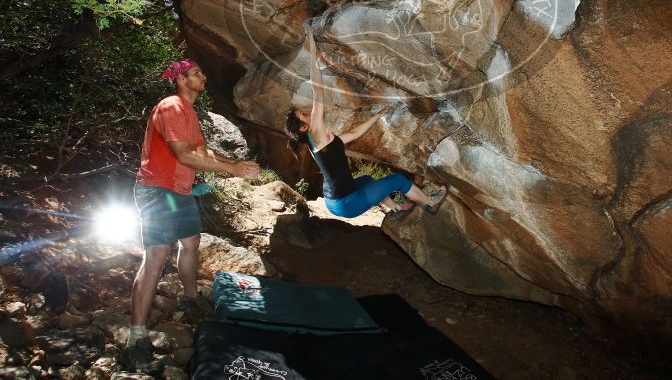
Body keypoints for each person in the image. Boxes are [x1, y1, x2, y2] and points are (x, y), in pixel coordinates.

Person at [121, 59, 261, 374]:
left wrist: (236, 165)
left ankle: (190, 297)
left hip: (179, 192)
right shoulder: (171, 106)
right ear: (182, 79)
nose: (204, 75)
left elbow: (202, 152)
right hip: (158, 190)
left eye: (202, 71)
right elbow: (183, 154)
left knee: (192, 241)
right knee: (156, 257)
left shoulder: (189, 112)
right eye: (197, 73)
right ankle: (136, 338)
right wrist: (232, 168)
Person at [284, 25, 448, 220]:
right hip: (347, 204)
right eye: (304, 114)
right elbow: (318, 90)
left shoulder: (322, 142)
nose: (309, 113)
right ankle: (430, 203)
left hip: (335, 200)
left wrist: (376, 116)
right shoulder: (315, 134)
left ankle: (397, 208)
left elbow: (353, 134)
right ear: (303, 127)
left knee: (367, 180)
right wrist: (312, 47)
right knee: (398, 180)